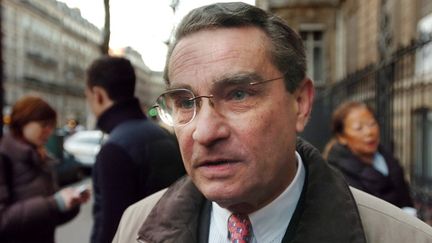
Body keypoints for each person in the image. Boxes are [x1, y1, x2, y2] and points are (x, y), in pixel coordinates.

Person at [113, 2, 432, 243]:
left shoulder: (402, 237)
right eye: (185, 102)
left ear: (301, 103)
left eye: (238, 94)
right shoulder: (134, 226)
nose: (205, 132)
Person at [85, 56, 185, 243]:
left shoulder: (114, 150)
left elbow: (111, 230)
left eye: (88, 97)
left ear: (98, 94)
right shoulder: (165, 135)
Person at [0, 95, 90, 243]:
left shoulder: (41, 157)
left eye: (51, 125)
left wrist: (71, 204)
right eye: (44, 125)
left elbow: (48, 217)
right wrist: (55, 203)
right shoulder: (4, 156)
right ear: (23, 121)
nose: (49, 131)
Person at [323, 101, 416, 214]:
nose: (369, 132)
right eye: (359, 128)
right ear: (342, 137)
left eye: (372, 124)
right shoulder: (337, 174)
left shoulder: (386, 157)